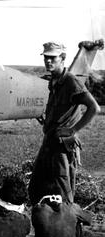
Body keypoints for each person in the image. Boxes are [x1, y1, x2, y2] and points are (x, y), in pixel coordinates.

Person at [28, 42, 100, 204]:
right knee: (36, 188)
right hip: (49, 141)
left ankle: (72, 226)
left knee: (63, 192)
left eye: (52, 58)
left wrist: (73, 130)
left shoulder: (70, 81)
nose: (48, 61)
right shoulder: (54, 81)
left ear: (62, 59)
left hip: (62, 145)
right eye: (46, 57)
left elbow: (94, 108)